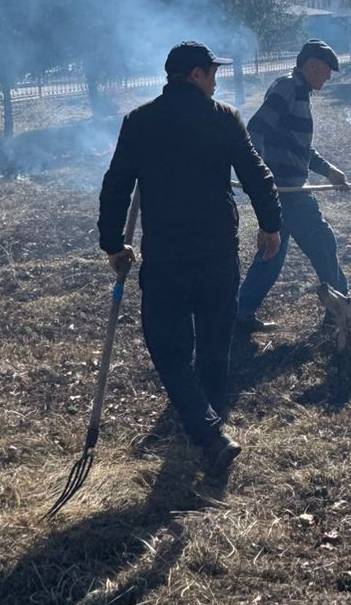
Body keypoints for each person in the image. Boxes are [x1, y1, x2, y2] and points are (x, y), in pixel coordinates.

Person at [99, 42, 282, 472]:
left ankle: (208, 432)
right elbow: (256, 173)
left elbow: (116, 186)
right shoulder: (223, 118)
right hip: (217, 253)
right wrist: (270, 224)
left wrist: (112, 243)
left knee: (169, 349)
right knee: (215, 346)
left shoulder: (139, 121)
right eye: (212, 71)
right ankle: (211, 431)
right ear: (195, 75)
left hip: (166, 258)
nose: (216, 79)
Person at [235, 39, 350, 334]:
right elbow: (256, 130)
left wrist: (329, 171)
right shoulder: (288, 88)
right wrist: (263, 180)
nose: (328, 77)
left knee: (270, 255)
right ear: (312, 66)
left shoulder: (298, 92)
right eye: (326, 71)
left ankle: (240, 314)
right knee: (323, 243)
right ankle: (342, 309)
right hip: (287, 192)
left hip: (287, 188)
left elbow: (296, 148)